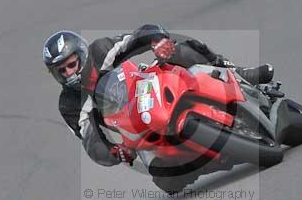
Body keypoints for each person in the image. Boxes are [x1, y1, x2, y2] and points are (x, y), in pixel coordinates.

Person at [44, 25, 273, 168]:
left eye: (71, 65)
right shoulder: (69, 104)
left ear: (82, 55)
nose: (69, 73)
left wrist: (157, 40)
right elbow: (91, 141)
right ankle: (202, 158)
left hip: (145, 87)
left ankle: (238, 73)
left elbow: (136, 37)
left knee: (183, 50)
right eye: (61, 71)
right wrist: (116, 153)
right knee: (165, 177)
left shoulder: (100, 50)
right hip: (134, 129)